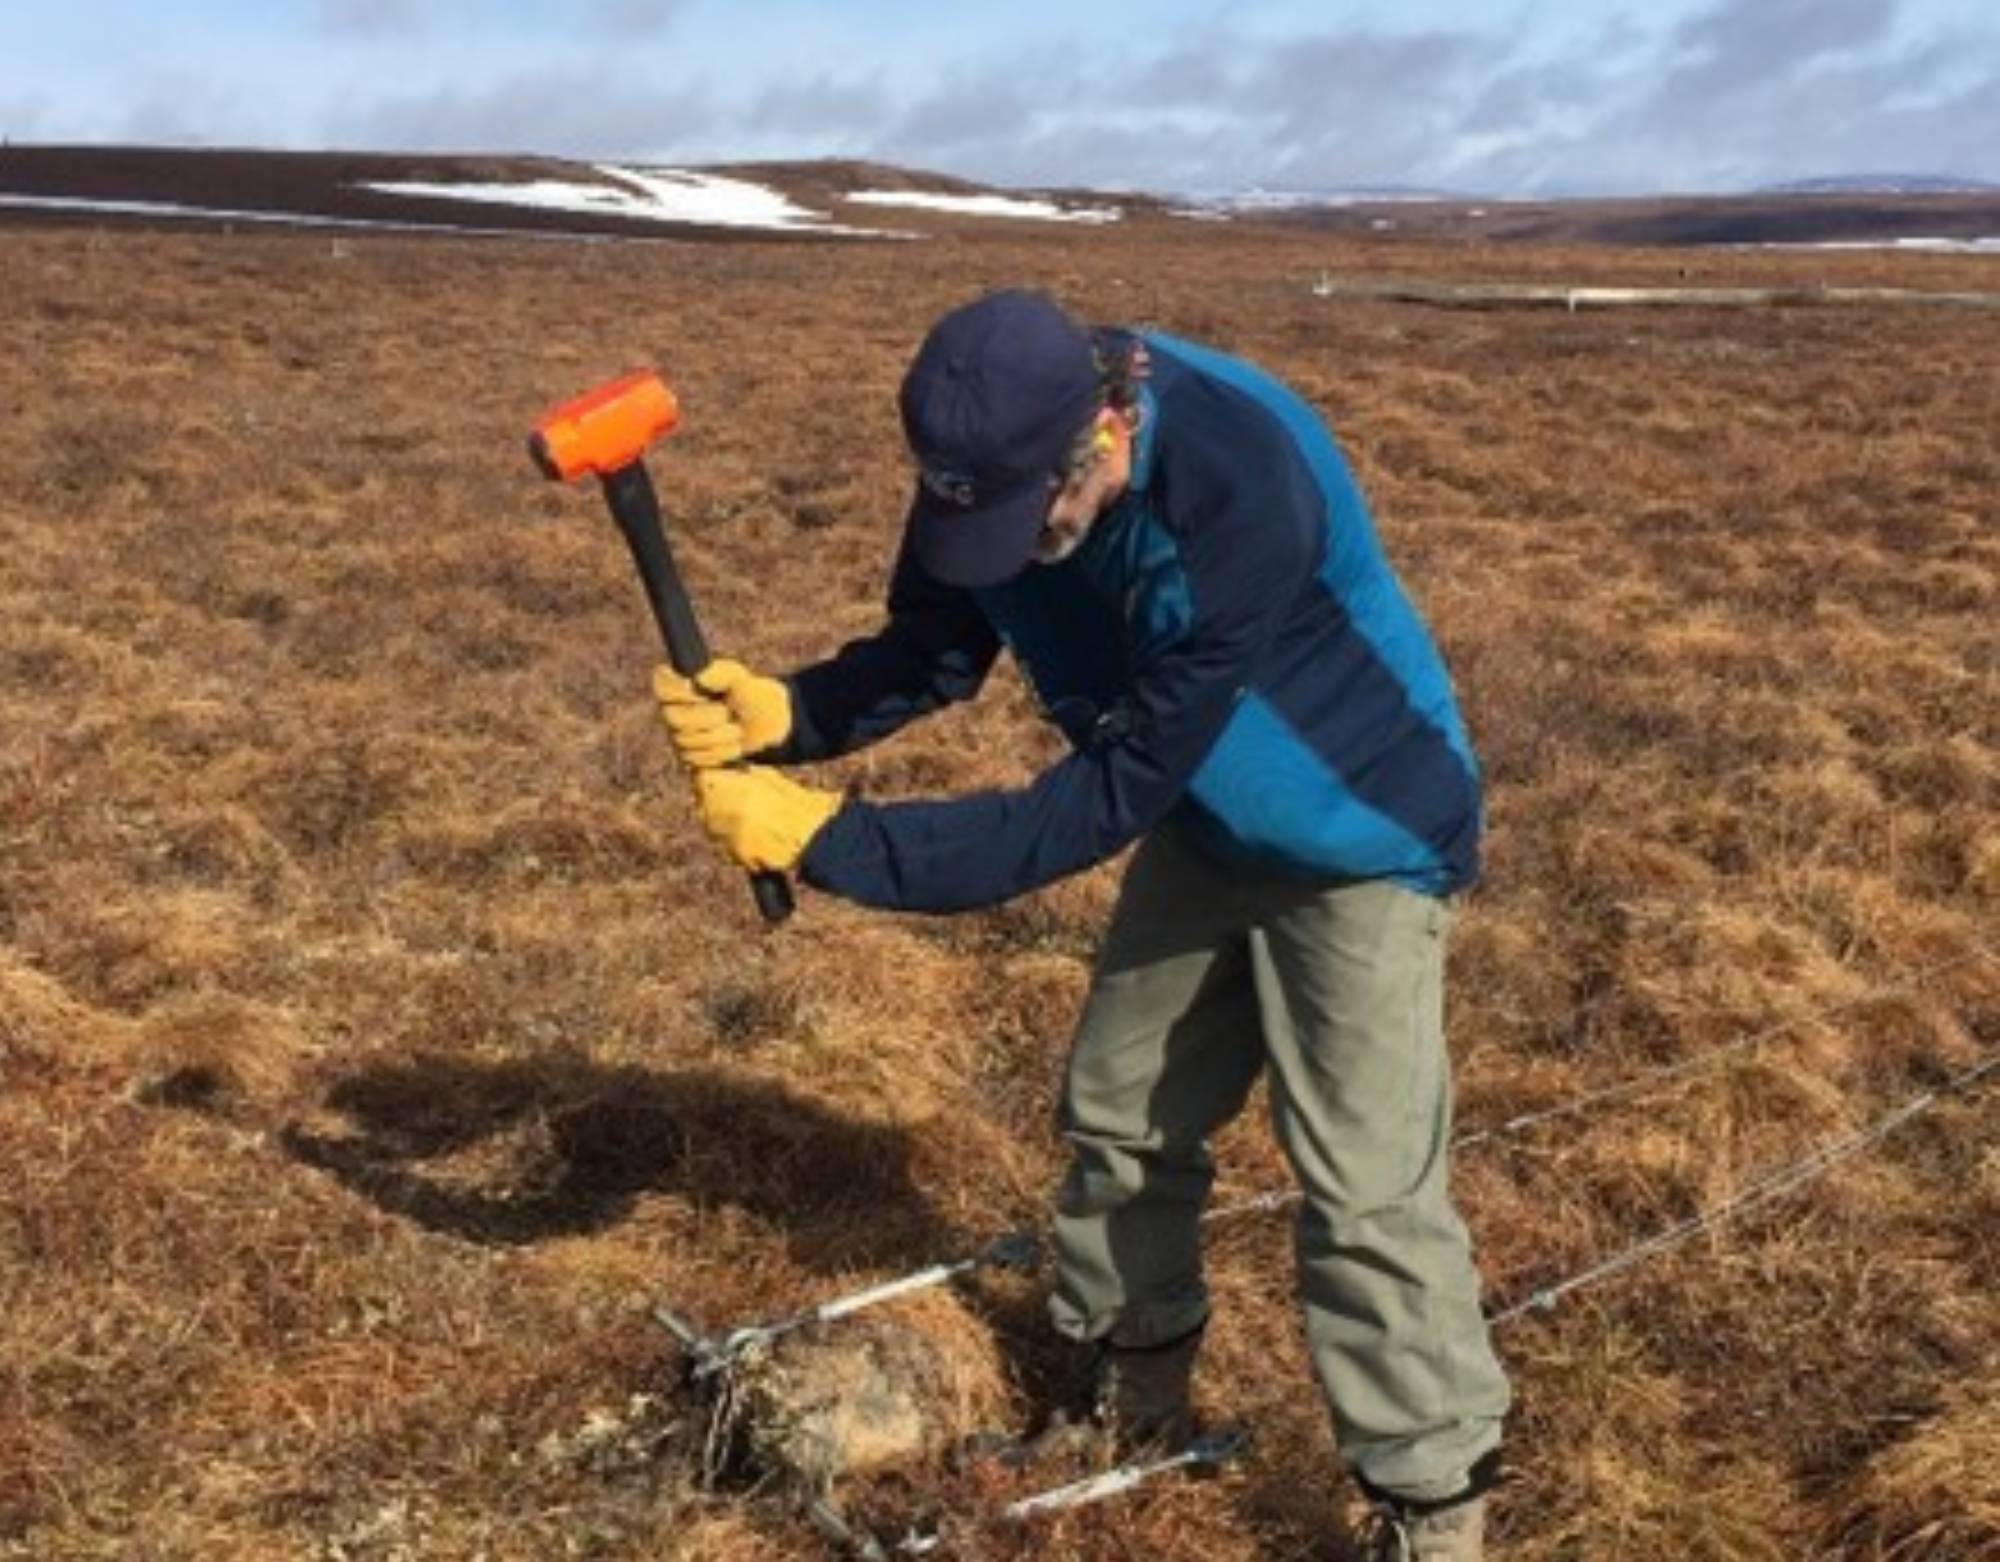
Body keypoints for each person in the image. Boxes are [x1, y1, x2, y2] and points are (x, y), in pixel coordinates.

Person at [653, 289, 1510, 1559]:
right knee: (1118, 1112)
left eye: (1033, 519)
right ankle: (1133, 1403)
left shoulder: (1237, 477)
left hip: (1358, 838)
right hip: (1208, 822)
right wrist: (791, 711)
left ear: (1106, 429)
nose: (1012, 544)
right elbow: (937, 644)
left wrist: (828, 839)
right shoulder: (986, 461)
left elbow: (1093, 802)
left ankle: (1430, 1507)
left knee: (1364, 1189)